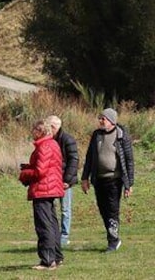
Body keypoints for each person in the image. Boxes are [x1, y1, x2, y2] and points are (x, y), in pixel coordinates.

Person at [81, 107, 134, 252]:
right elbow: (89, 157)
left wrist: (129, 184)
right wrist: (85, 178)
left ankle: (113, 241)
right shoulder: (96, 135)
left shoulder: (121, 135)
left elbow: (129, 161)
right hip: (99, 179)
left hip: (115, 180)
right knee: (103, 210)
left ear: (111, 120)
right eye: (100, 118)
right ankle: (113, 236)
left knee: (112, 210)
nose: (100, 121)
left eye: (103, 118)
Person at [19, 119, 65, 270]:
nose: (32, 133)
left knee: (44, 225)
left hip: (43, 190)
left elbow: (40, 171)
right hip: (50, 188)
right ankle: (56, 257)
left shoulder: (44, 146)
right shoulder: (52, 144)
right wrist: (28, 166)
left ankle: (47, 260)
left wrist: (25, 173)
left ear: (40, 131)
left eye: (34, 130)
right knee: (52, 224)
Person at [47, 115, 78, 246]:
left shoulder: (67, 139)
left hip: (64, 181)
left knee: (65, 209)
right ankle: (53, 235)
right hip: (52, 179)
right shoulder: (49, 140)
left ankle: (64, 237)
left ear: (53, 127)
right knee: (51, 208)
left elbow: (73, 161)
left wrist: (67, 180)